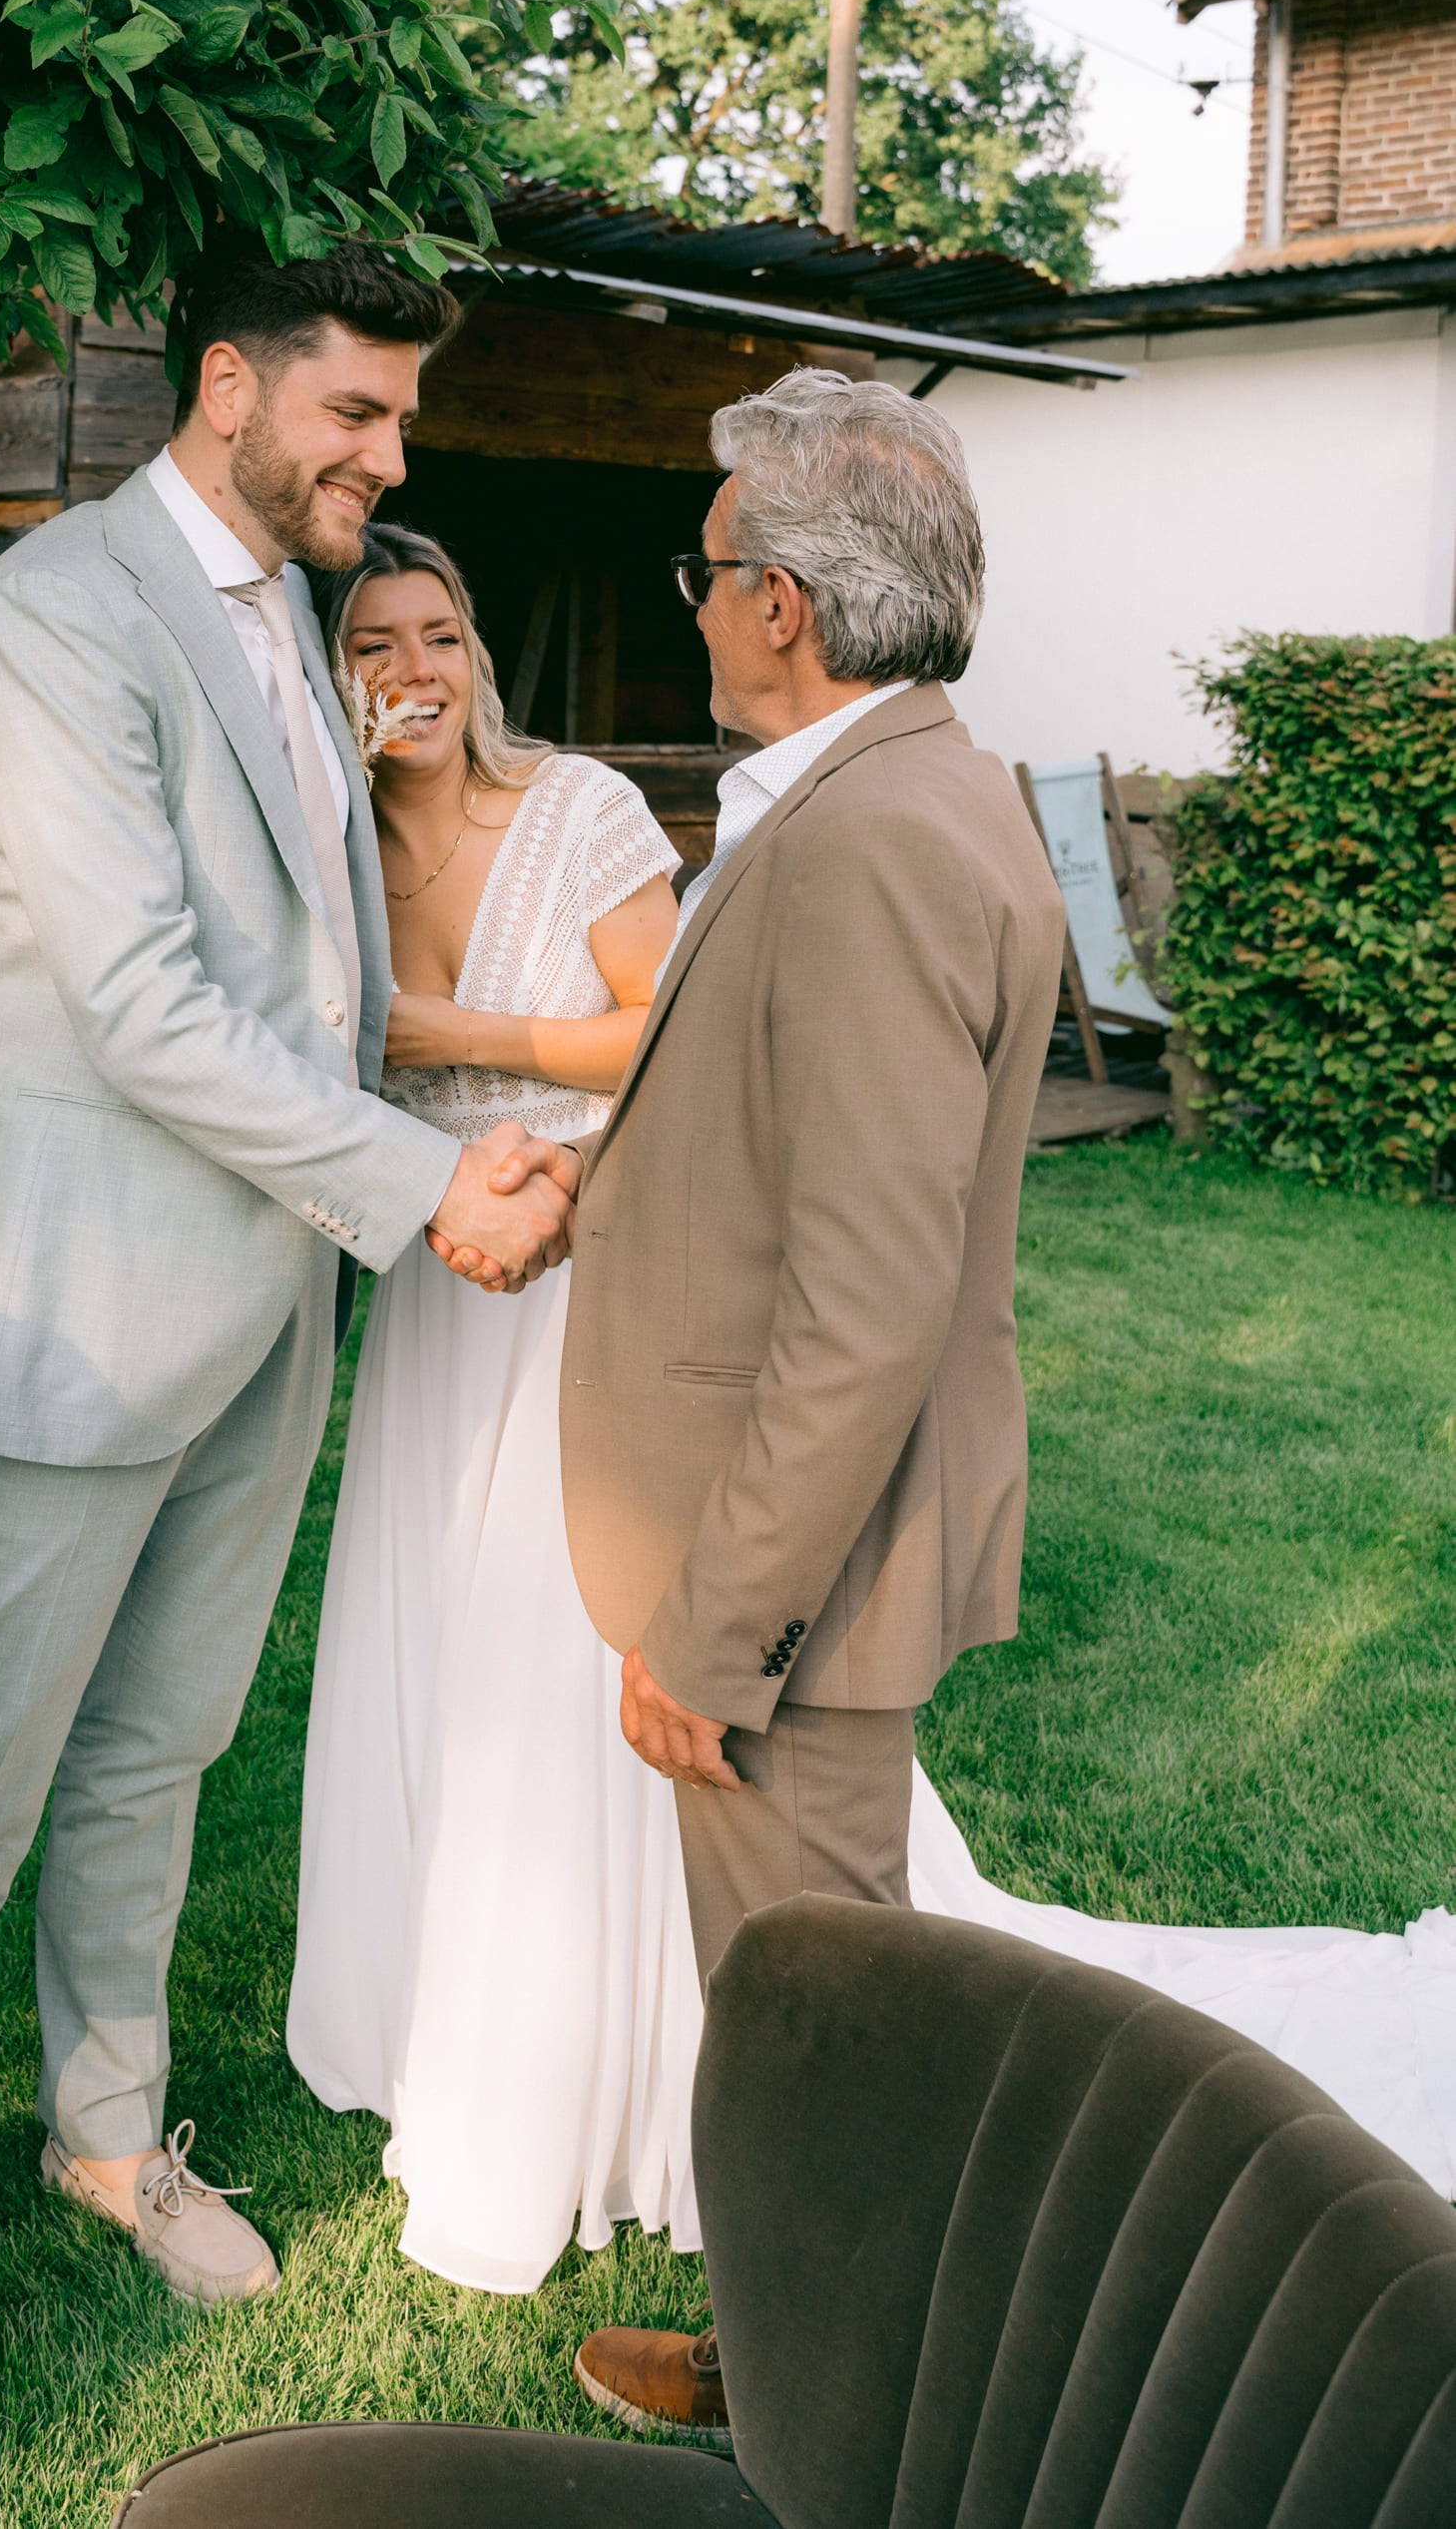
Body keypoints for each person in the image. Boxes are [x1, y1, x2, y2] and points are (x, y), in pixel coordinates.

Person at [0, 243, 580, 2310]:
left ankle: (106, 2136)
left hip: (269, 1311)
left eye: (401, 416)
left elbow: (318, 968)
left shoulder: (292, 610)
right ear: (226, 386)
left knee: (157, 1751)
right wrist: (429, 1184)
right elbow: (136, 1003)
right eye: (355, 411)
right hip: (76, 1308)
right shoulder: (58, 613)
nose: (392, 454)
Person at [564, 367, 1065, 2443]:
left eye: (701, 574)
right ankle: (803, 2356)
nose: (690, 606)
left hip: (793, 1574)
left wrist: (717, 1624)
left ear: (777, 602)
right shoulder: (909, 793)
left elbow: (865, 1301)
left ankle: (836, 2422)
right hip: (808, 1545)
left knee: (814, 2022)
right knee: (813, 1997)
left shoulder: (870, 841)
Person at [286, 523, 701, 2290]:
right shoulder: (318, 856)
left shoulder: (581, 805)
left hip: (582, 1260)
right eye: (375, 644)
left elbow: (669, 1021)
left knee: (550, 1646)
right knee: (428, 1635)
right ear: (332, 677)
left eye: (442, 634)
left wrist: (465, 1039)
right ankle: (415, 2006)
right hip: (431, 1279)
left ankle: (578, 2052)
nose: (419, 673)